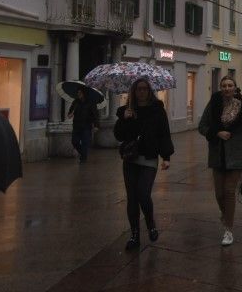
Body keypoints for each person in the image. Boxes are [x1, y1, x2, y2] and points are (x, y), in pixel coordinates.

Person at [113, 78, 173, 251]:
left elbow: (164, 133)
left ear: (149, 91)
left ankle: (150, 223)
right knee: (132, 198)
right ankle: (134, 235)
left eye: (145, 89)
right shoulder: (127, 110)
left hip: (149, 158)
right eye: (138, 89)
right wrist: (124, 119)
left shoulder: (157, 110)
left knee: (143, 194)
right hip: (130, 158)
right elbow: (118, 135)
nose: (141, 92)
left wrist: (166, 156)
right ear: (133, 91)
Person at [198, 74, 242, 246]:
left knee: (229, 191)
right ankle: (226, 215)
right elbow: (202, 126)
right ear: (221, 88)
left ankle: (228, 230)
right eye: (224, 85)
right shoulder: (214, 104)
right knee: (219, 194)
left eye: (230, 85)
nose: (227, 88)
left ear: (235, 88)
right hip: (218, 154)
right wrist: (217, 133)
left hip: (237, 154)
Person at [68, 90, 99, 163]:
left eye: (80, 93)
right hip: (76, 125)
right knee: (74, 141)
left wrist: (96, 125)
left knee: (85, 142)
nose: (78, 94)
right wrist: (71, 113)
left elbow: (95, 115)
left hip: (86, 125)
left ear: (84, 93)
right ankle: (83, 154)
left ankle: (83, 158)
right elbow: (70, 113)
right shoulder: (75, 102)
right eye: (78, 93)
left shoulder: (91, 103)